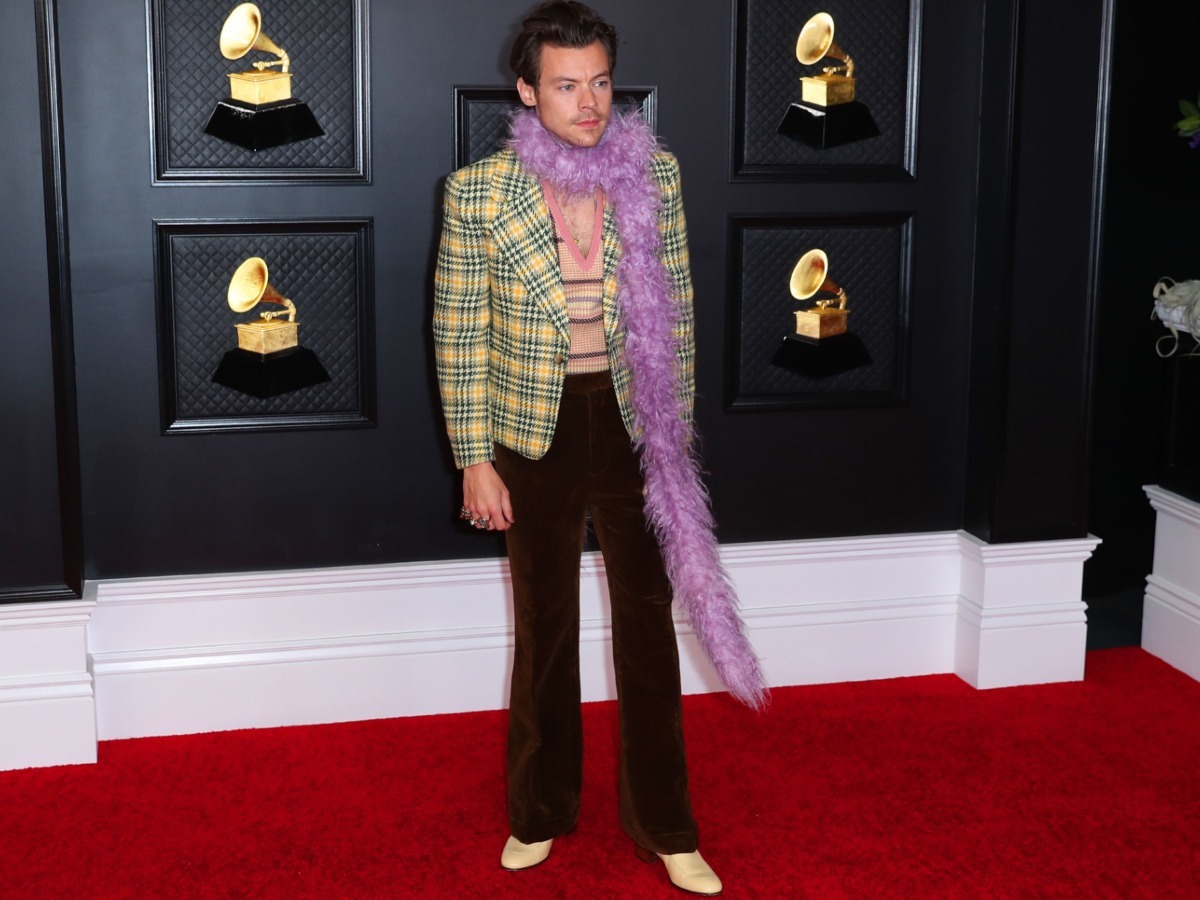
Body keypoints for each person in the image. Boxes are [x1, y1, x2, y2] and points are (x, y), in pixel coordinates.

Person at [433, 2, 765, 893]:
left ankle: (667, 824)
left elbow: (680, 316)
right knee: (544, 629)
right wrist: (475, 455)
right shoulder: (478, 192)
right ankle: (540, 811)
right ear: (528, 90)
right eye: (566, 84)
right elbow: (458, 332)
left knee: (650, 629)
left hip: (633, 423)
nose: (587, 102)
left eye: (600, 83)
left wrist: (675, 445)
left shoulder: (653, 173)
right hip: (529, 432)